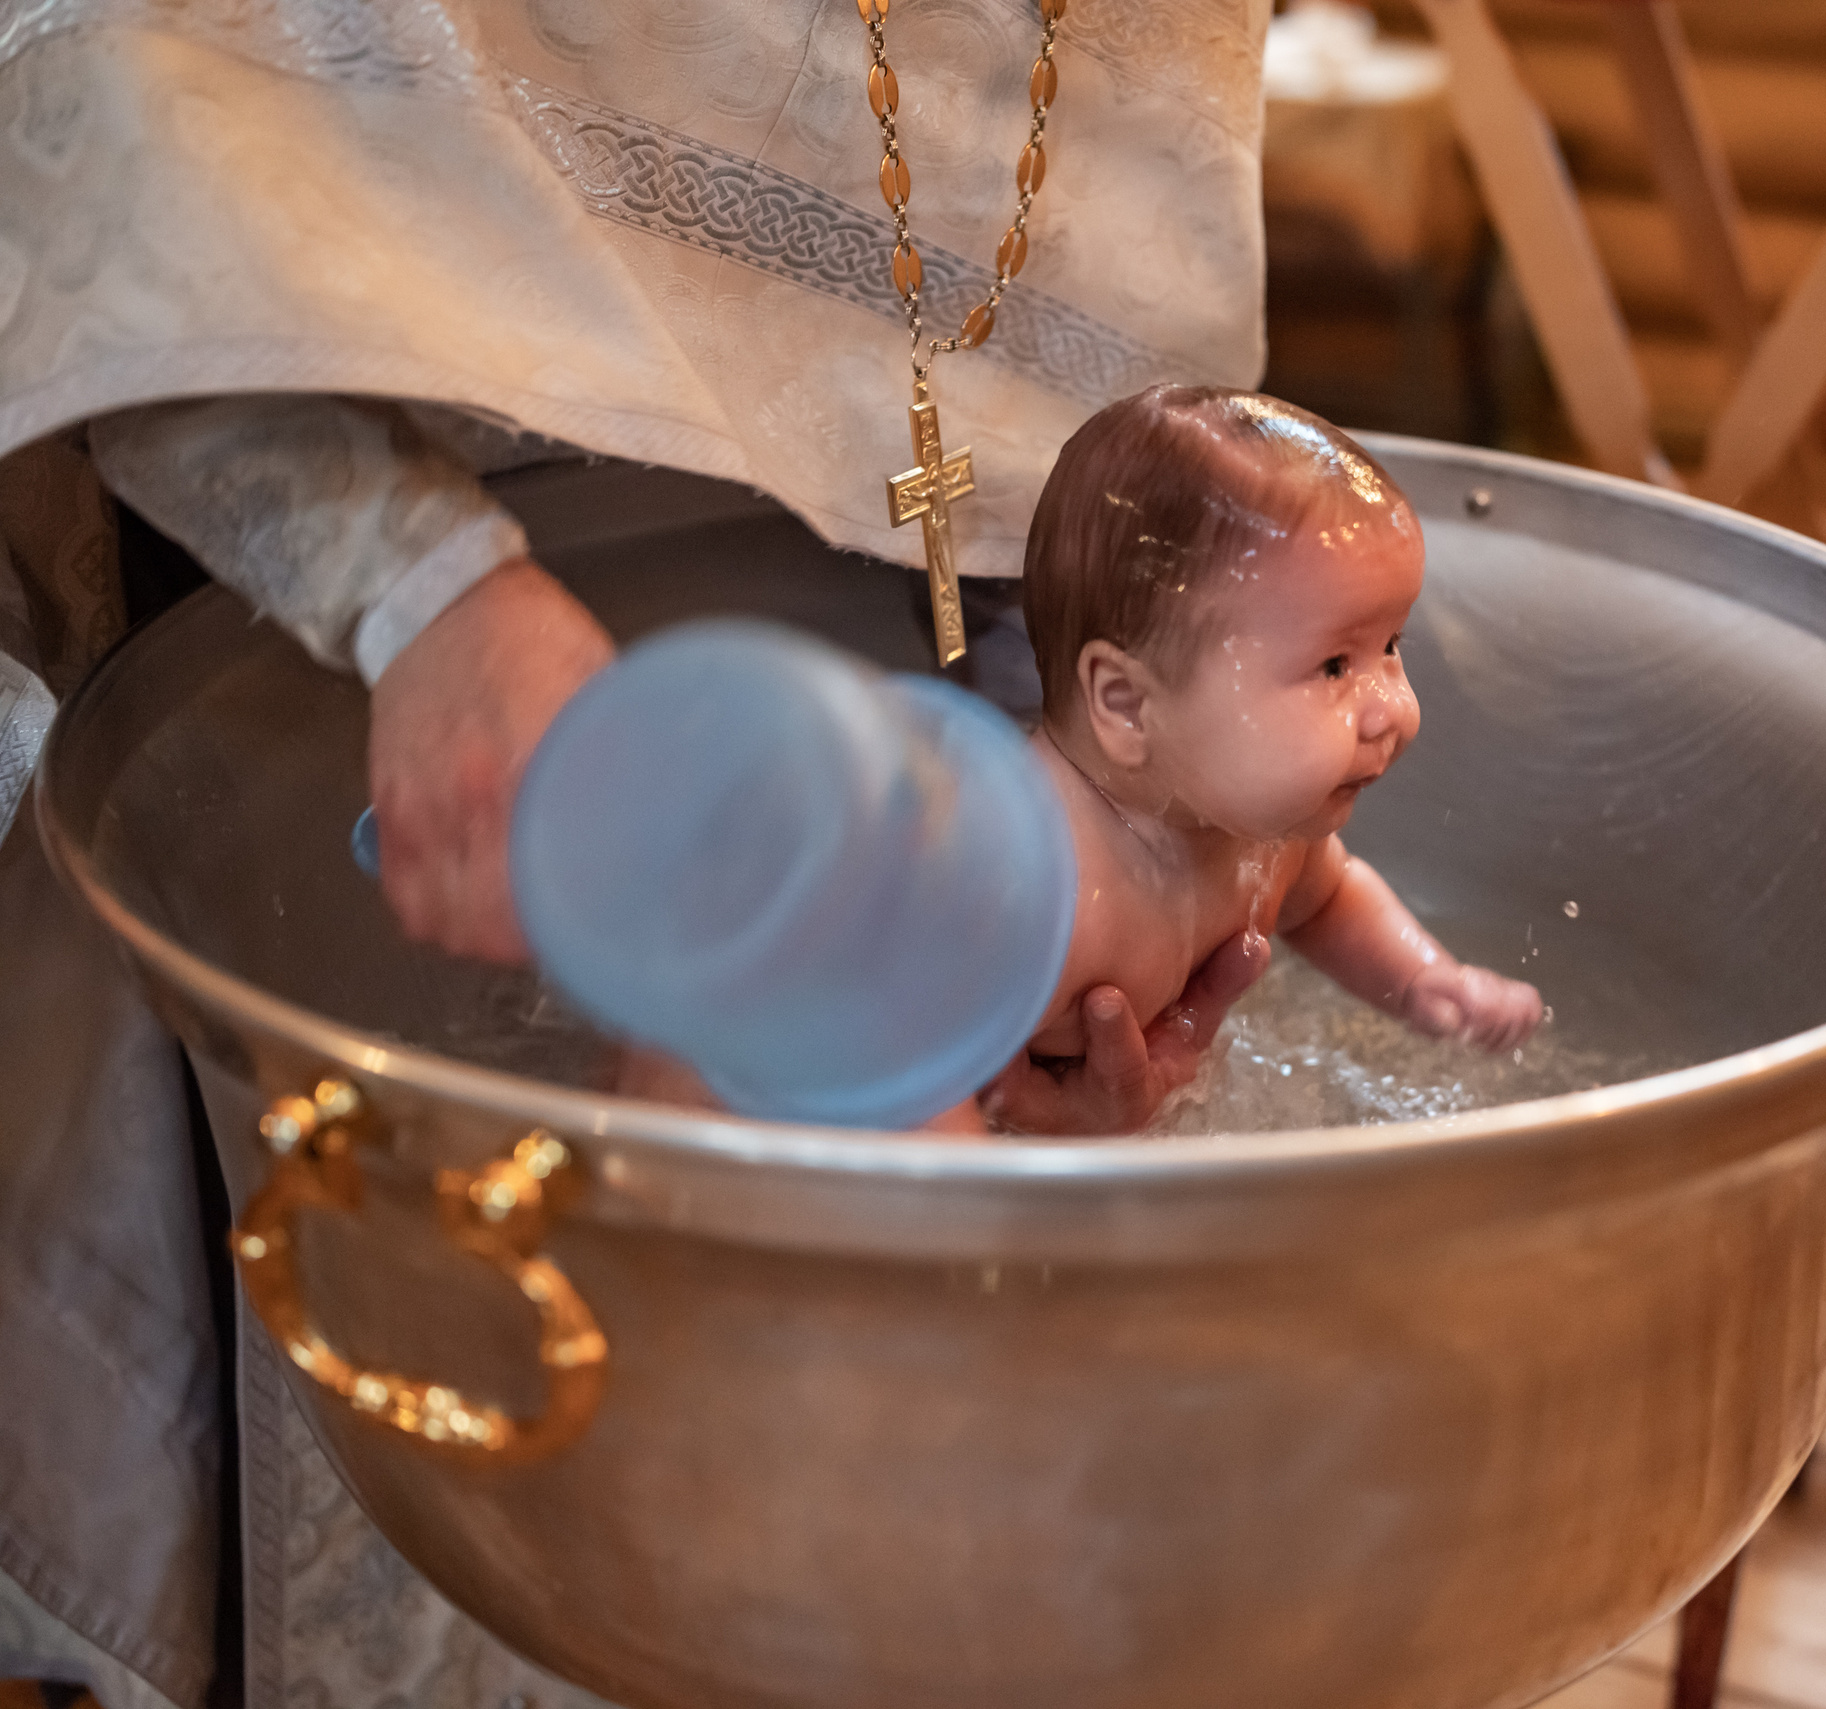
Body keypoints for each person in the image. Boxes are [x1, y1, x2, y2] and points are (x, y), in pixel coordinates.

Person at [0, 0, 1274, 1702]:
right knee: (539, 1488)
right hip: (414, 690)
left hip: (930, 777)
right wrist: (414, 582)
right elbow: (122, 121)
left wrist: (1124, 860)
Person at [979, 387, 1539, 1136]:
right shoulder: (1037, 893)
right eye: (1335, 665)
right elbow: (893, 1061)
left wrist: (1424, 980)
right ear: (1124, 704)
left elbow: (1331, 897)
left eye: (1391, 647)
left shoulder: (1266, 833)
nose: (1394, 709)